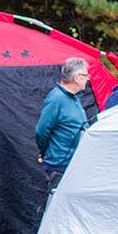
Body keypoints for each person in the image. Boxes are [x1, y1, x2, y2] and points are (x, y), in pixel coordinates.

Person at [35, 57, 91, 197]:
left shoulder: (74, 97)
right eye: (86, 75)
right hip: (59, 167)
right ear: (77, 78)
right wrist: (47, 152)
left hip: (74, 164)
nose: (88, 79)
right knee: (56, 208)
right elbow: (41, 131)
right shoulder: (56, 99)